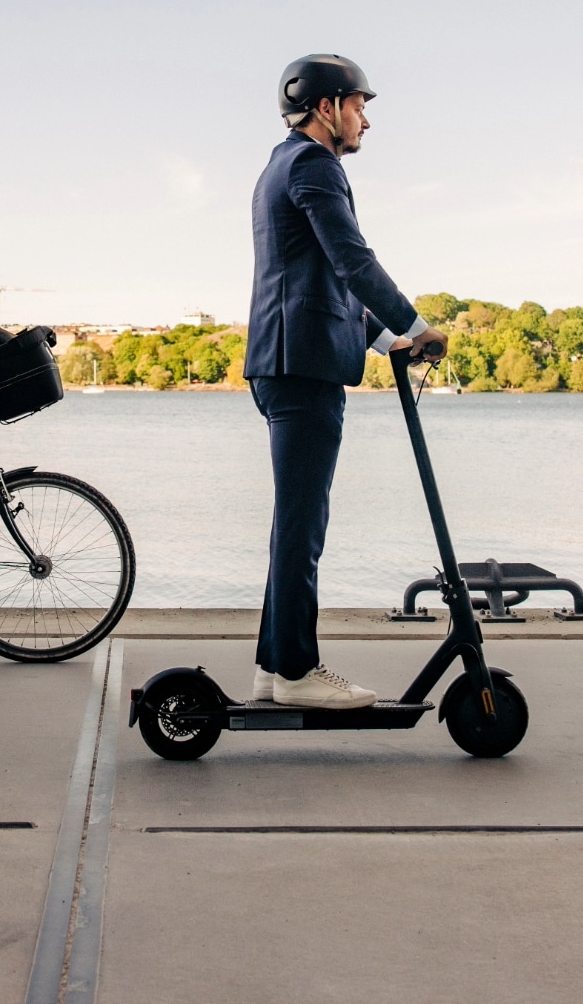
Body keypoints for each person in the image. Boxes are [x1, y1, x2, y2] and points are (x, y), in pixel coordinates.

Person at [244, 55, 448, 708]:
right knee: (303, 527)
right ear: (328, 108)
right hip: (300, 368)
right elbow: (353, 260)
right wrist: (418, 324)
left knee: (298, 523)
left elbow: (321, 282)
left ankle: (277, 668)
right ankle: (298, 672)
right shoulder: (311, 165)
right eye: (359, 105)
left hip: (291, 361)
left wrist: (392, 341)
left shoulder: (282, 166)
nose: (365, 119)